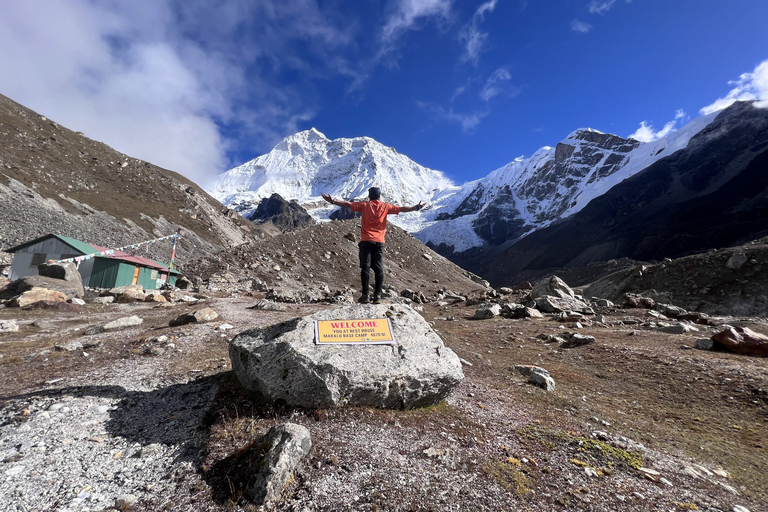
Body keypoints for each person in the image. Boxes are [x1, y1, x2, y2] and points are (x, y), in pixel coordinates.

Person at [322, 187, 425, 304]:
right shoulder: (386, 206)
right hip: (379, 241)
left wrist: (333, 201)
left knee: (365, 267)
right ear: (379, 196)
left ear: (369, 196)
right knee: (379, 268)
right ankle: (377, 296)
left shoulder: (365, 205)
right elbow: (401, 209)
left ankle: (365, 295)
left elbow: (348, 204)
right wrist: (416, 207)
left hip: (366, 241)